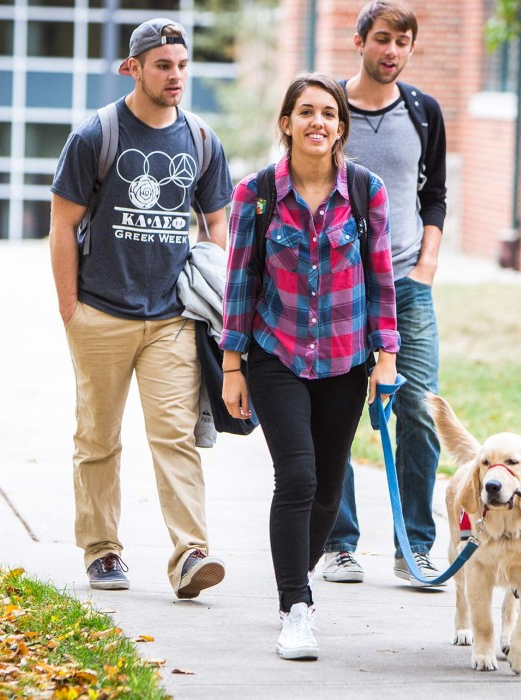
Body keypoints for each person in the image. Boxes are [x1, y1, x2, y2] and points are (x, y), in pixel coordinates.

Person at [48, 18, 233, 600]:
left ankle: (190, 554)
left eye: (181, 65)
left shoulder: (201, 140)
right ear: (133, 68)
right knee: (98, 437)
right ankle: (102, 552)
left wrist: (210, 290)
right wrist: (70, 310)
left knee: (175, 435)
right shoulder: (95, 136)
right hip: (100, 312)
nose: (175, 75)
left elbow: (218, 224)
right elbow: (61, 227)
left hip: (172, 317)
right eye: (162, 65)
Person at [220, 73, 400, 660]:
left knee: (328, 485)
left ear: (341, 126)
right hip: (278, 353)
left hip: (348, 360)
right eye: (306, 112)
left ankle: (294, 577)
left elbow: (381, 280)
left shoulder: (367, 192)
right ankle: (296, 606)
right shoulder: (257, 194)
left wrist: (386, 358)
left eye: (329, 113)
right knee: (296, 477)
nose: (317, 122)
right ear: (286, 123)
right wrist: (232, 363)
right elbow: (241, 278)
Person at [321, 0, 449, 588]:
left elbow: (435, 196)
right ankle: (340, 543)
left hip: (405, 286)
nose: (391, 51)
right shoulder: (327, 108)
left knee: (420, 412)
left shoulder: (424, 111)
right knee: (337, 416)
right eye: (381, 39)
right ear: (359, 42)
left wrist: (426, 265)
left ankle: (413, 545)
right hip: (339, 287)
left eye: (402, 42)